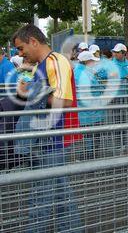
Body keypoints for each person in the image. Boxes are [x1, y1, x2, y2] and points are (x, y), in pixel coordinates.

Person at [11, 24, 82, 232]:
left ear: (34, 41)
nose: (20, 54)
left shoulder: (55, 61)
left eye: (21, 48)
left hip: (53, 139)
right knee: (59, 195)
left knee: (40, 197)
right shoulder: (44, 64)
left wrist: (35, 92)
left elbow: (65, 101)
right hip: (49, 137)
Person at [74, 51, 105, 159]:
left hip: (84, 112)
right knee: (92, 140)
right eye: (92, 60)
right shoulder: (86, 73)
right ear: (87, 61)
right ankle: (91, 162)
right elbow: (96, 90)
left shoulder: (77, 71)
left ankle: (88, 159)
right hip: (91, 112)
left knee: (88, 138)